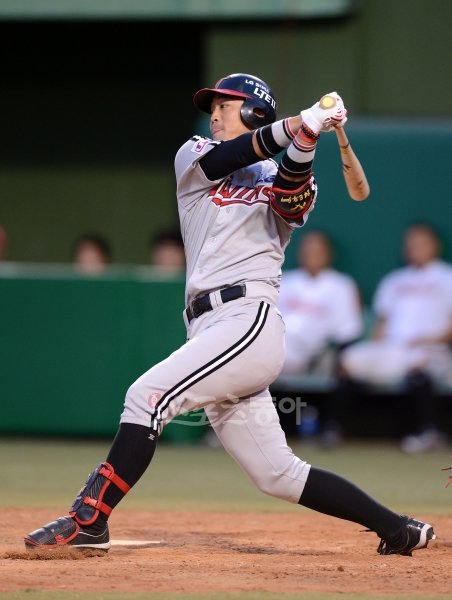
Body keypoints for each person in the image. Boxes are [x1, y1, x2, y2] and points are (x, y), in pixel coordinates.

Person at [24, 73, 435, 556]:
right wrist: (302, 122)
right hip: (207, 325)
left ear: (255, 112)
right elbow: (231, 157)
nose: (214, 114)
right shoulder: (195, 153)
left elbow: (289, 197)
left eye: (225, 105)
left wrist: (307, 135)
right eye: (213, 106)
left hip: (248, 319)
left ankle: (90, 520)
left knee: (146, 397)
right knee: (277, 474)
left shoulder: (292, 176)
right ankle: (398, 529)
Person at [340, 222, 452, 453]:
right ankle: (335, 429)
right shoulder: (395, 280)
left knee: (419, 363)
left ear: (435, 246)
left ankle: (429, 431)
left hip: (433, 350)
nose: (415, 248)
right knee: (349, 359)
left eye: (421, 243)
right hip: (393, 349)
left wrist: (432, 340)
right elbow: (383, 323)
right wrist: (374, 348)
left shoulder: (446, 276)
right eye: (411, 244)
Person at [277, 230, 364, 446]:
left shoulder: (341, 285)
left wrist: (333, 356)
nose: (312, 255)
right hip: (278, 345)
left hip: (317, 352)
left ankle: (332, 428)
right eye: (308, 250)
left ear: (329, 254)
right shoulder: (284, 280)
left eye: (318, 251)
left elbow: (348, 330)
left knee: (346, 363)